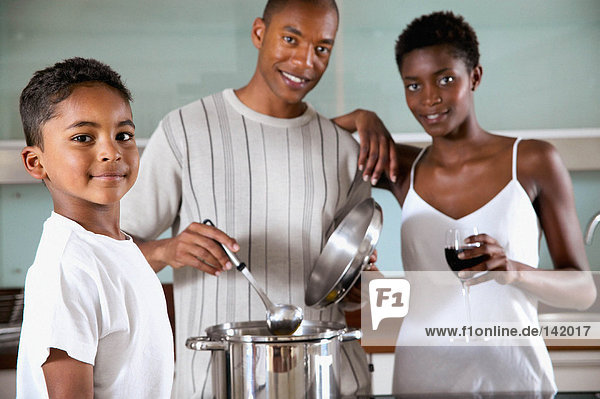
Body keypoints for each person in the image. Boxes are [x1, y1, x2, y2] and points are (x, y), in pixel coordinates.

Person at [119, 0, 394, 397]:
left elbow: (358, 299)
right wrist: (167, 251)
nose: (305, 62)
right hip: (215, 382)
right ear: (258, 34)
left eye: (322, 48)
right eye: (290, 39)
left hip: (329, 382)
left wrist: (359, 288)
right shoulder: (186, 130)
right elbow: (106, 249)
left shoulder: (343, 150)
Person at [377, 11, 597, 394]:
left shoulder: (532, 161)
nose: (429, 99)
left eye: (445, 79)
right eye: (413, 86)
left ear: (475, 76)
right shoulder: (402, 168)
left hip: (516, 380)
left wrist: (514, 271)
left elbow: (583, 290)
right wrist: (363, 118)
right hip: (422, 381)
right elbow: (315, 139)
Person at [16, 57, 174, 398]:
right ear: (36, 162)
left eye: (124, 134)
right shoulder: (66, 269)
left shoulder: (117, 247)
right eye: (84, 137)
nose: (111, 151)